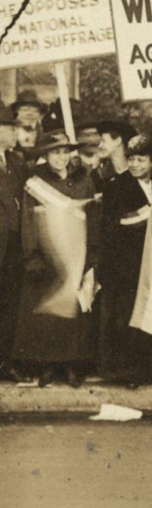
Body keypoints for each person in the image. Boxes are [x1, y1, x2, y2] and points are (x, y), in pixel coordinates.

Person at [11, 131, 98, 388]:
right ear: (45, 155)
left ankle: (72, 365)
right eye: (54, 152)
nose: (60, 157)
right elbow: (28, 222)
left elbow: (93, 216)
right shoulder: (36, 183)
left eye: (64, 152)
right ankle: (49, 364)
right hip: (47, 256)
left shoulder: (84, 180)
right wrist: (33, 257)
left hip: (77, 254)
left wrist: (93, 254)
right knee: (49, 315)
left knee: (75, 312)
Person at [97, 133, 152, 389]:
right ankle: (129, 371)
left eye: (141, 159)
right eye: (131, 159)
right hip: (127, 264)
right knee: (128, 314)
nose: (135, 165)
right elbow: (108, 228)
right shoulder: (116, 186)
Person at [0, 108, 28, 382]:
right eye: (11, 127)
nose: (16, 133)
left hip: (12, 246)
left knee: (9, 305)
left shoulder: (17, 161)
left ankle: (4, 361)